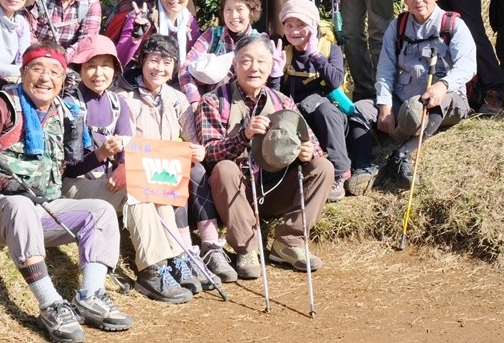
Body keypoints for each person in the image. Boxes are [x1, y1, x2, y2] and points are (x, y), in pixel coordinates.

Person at [0, 42, 133, 342]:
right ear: (23, 72)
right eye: (37, 69)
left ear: (63, 79)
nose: (45, 78)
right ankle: (50, 303)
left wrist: (100, 155)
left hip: (39, 209)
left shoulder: (64, 111)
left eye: (54, 72)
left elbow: (71, 168)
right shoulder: (1, 104)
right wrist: (4, 184)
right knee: (20, 205)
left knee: (100, 212)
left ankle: (90, 295)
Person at [60, 35, 198, 304]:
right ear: (80, 69)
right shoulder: (70, 104)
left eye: (105, 66)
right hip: (73, 184)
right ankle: (151, 270)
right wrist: (101, 154)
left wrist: (124, 165)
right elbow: (68, 167)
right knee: (136, 191)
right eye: (90, 66)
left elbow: (127, 146)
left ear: (115, 69)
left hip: (104, 182)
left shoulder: (117, 103)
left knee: (144, 184)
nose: (98, 73)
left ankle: (174, 258)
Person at [197, 33, 334, 278]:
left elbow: (312, 143)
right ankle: (247, 248)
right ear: (234, 64)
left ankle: (289, 241)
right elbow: (209, 153)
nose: (254, 68)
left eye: (261, 61)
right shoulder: (213, 101)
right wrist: (244, 136)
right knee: (224, 168)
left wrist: (307, 152)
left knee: (323, 167)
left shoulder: (283, 101)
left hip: (274, 187)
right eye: (246, 61)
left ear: (271, 66)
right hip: (235, 193)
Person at [117, 34, 237, 284]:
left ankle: (210, 245)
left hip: (168, 164)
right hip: (139, 169)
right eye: (154, 60)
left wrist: (198, 151)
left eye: (167, 62)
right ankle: (184, 252)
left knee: (196, 170)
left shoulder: (176, 98)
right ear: (142, 61)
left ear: (174, 68)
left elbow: (192, 139)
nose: (159, 68)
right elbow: (122, 143)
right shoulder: (125, 97)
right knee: (171, 180)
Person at [369, 0, 476, 187]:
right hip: (404, 98)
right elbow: (385, 69)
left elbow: (468, 65)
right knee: (361, 110)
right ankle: (360, 166)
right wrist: (385, 107)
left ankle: (402, 154)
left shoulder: (453, 25)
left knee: (428, 106)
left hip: (446, 100)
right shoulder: (397, 27)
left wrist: (443, 86)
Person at [274, 0, 378, 201]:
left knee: (324, 109)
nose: (294, 31)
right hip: (301, 120)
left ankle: (341, 172)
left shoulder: (330, 50)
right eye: (289, 25)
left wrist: (315, 55)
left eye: (301, 24)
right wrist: (275, 75)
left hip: (333, 119)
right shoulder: (285, 55)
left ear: (314, 25)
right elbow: (275, 97)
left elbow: (335, 80)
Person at [178, 0, 263, 107]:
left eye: (240, 9)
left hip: (248, 106)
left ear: (251, 11)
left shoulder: (260, 42)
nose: (233, 15)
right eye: (228, 9)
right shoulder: (212, 36)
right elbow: (185, 69)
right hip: (212, 106)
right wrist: (194, 100)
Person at [115, 0, 200, 68]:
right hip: (137, 76)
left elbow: (195, 58)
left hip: (173, 76)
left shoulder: (189, 21)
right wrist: (135, 39)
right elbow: (118, 61)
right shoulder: (141, 17)